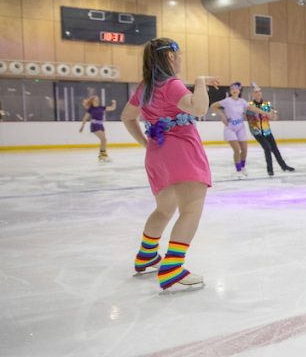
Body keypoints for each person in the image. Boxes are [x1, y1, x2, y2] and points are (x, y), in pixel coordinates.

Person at [121, 38, 216, 293]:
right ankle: (172, 268)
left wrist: (145, 142)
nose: (182, 59)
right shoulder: (172, 85)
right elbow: (199, 108)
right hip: (182, 153)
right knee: (191, 210)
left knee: (164, 210)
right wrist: (200, 81)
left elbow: (127, 117)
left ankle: (147, 256)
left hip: (157, 154)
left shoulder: (145, 87)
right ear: (171, 58)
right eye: (180, 55)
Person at [211, 82, 266, 177]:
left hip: (240, 127)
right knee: (237, 150)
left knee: (244, 149)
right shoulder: (227, 101)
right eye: (232, 89)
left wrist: (265, 113)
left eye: (236, 89)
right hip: (230, 127)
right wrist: (222, 116)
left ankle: (243, 167)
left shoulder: (242, 101)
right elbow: (213, 106)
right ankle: (238, 170)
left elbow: (252, 108)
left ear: (239, 91)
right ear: (230, 91)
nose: (234, 90)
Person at [246, 85, 295, 176]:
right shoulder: (249, 105)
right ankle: (270, 169)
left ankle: (284, 166)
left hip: (267, 131)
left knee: (275, 149)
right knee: (267, 148)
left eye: (259, 91)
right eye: (256, 92)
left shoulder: (266, 104)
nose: (258, 93)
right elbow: (248, 116)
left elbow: (273, 116)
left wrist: (274, 115)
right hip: (257, 132)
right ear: (253, 94)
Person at [78, 95, 117, 162]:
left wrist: (114, 103)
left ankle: (102, 155)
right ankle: (103, 156)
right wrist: (82, 127)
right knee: (103, 139)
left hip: (101, 125)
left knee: (103, 141)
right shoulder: (91, 109)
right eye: (95, 100)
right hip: (94, 125)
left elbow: (112, 108)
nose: (97, 101)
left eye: (98, 99)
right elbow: (85, 118)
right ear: (92, 101)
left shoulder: (101, 107)